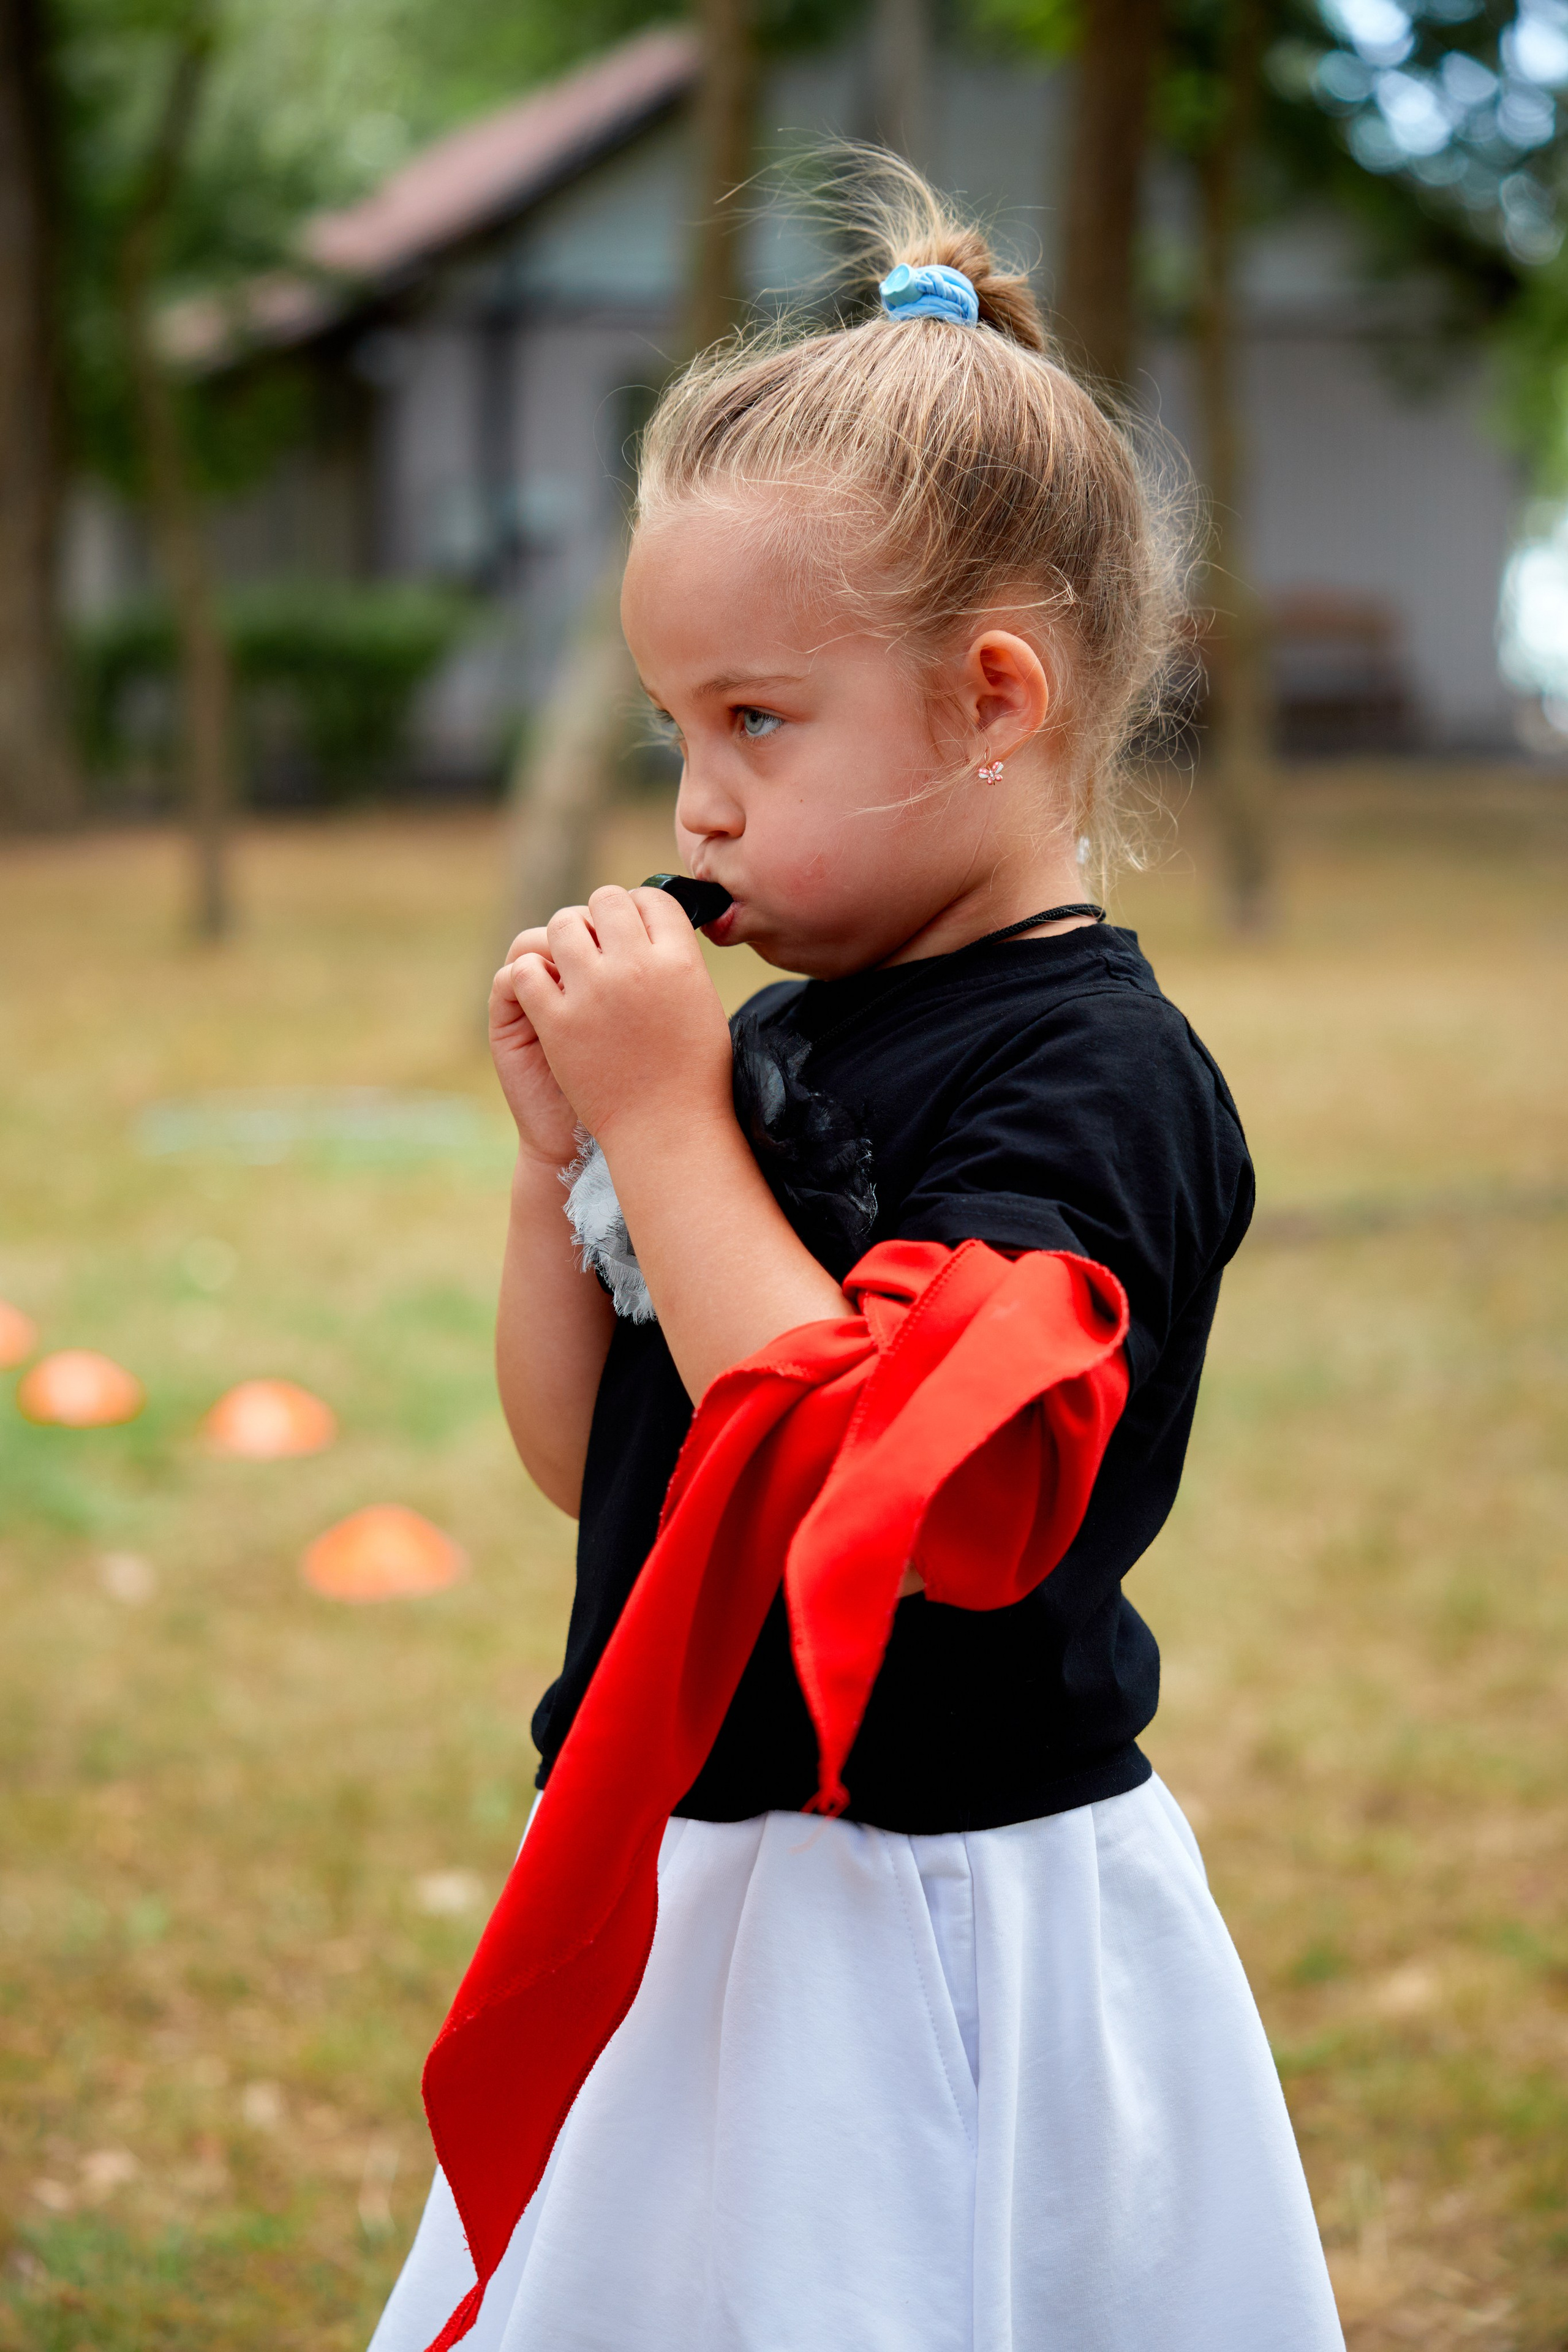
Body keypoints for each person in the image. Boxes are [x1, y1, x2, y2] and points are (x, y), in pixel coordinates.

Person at [369, 159, 1344, 2352]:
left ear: (994, 698)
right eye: (672, 733)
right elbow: (594, 1463)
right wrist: (566, 1172)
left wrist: (661, 1119)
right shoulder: (778, 1035)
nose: (695, 805)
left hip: (922, 1920)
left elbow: (914, 1503)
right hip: (693, 1880)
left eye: (759, 723)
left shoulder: (1094, 1081)